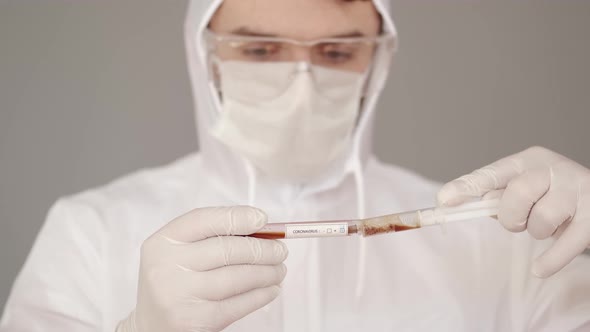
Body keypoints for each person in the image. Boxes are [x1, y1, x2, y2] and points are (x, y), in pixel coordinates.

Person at [2, 0, 589, 331]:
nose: (302, 83)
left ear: (378, 61)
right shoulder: (91, 231)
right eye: (258, 49)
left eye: (337, 52)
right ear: (200, 52)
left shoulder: (497, 237)